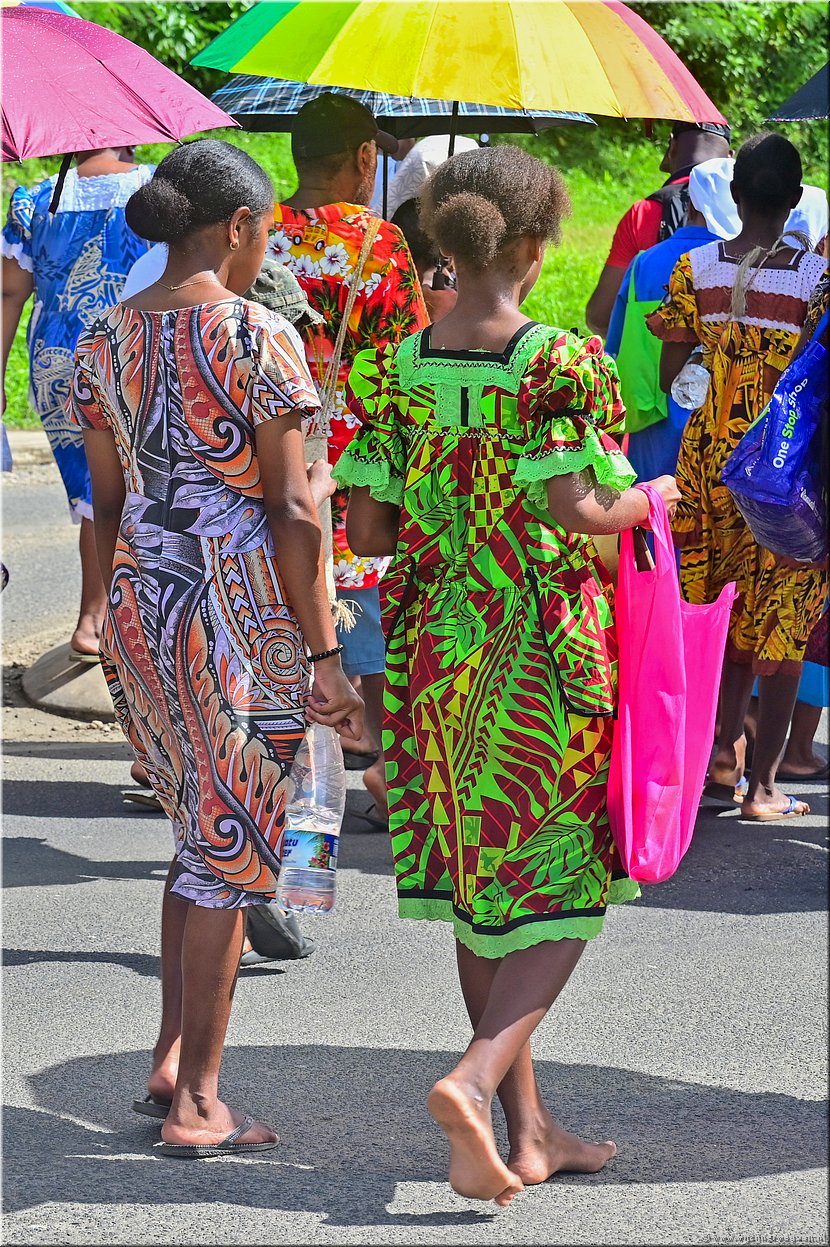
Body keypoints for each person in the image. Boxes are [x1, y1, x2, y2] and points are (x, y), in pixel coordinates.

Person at [335, 144, 680, 1205]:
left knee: (483, 893)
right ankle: (473, 1078)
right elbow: (575, 511)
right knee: (564, 886)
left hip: (433, 651)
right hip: (539, 654)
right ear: (534, 249)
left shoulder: (393, 365)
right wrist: (651, 497)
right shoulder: (557, 364)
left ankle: (527, 1130)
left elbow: (368, 523)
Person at [68, 139, 363, 1157]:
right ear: (237, 228)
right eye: (267, 228)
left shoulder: (102, 337)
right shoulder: (256, 334)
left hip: (146, 604)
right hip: (237, 613)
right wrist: (323, 657)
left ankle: (167, 1056)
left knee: (200, 833)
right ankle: (199, 1100)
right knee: (231, 851)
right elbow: (292, 506)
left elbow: (104, 506)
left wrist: (103, 611)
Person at [648, 132, 827, 823]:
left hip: (707, 464)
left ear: (736, 195)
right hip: (782, 471)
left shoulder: (694, 268)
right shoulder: (816, 282)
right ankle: (765, 787)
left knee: (714, 611)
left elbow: (674, 380)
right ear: (795, 199)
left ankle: (716, 760)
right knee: (781, 617)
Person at [270, 92, 429, 819]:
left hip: (273, 453)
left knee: (280, 593)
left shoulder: (253, 230)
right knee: (363, 604)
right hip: (353, 460)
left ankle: (282, 764)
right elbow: (411, 361)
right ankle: (383, 765)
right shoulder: (383, 244)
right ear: (366, 159)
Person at [1, 147, 153, 659]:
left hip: (58, 361)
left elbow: (9, 293)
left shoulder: (35, 199)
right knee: (131, 483)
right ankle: (101, 614)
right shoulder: (157, 188)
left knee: (93, 489)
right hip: (135, 351)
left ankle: (98, 611)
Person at [605, 157, 738, 482]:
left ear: (690, 201)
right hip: (720, 424)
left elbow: (615, 345)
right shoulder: (739, 262)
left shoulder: (643, 262)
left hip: (652, 423)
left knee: (653, 520)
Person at [585, 120, 731, 336]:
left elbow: (599, 318)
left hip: (650, 364)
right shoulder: (746, 215)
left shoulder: (643, 213)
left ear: (671, 146)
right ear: (731, 159)